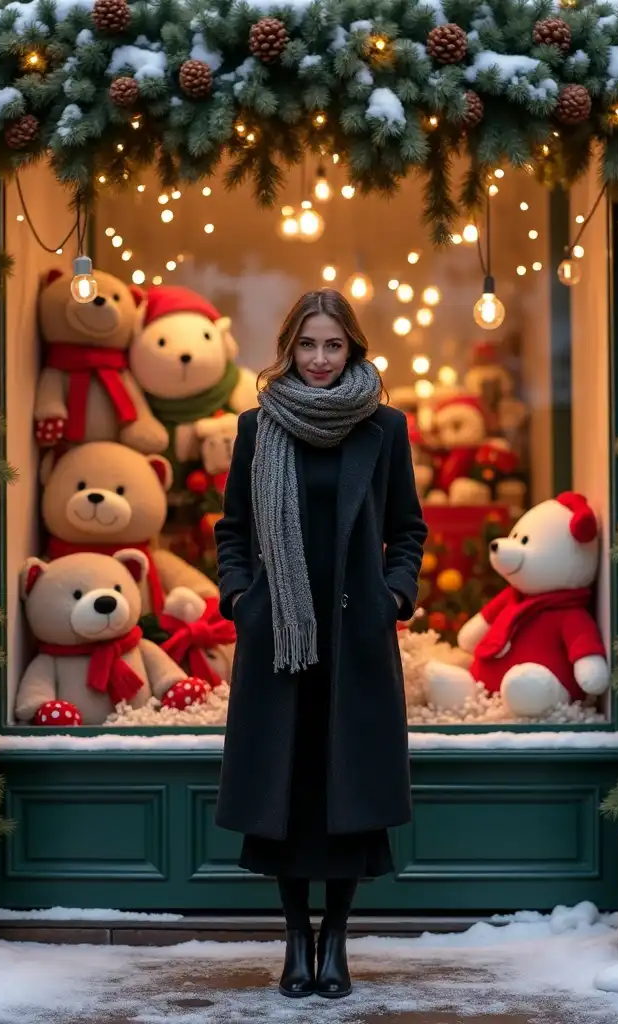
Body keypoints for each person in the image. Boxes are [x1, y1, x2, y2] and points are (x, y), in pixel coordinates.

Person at [214, 289, 427, 999]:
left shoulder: (384, 427)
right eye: (308, 345)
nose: (319, 359)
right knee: (290, 790)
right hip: (278, 636)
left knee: (346, 792)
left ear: (353, 349)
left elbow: (409, 528)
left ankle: (334, 938)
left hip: (354, 635)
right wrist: (243, 600)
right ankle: (293, 940)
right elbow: (234, 530)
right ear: (288, 348)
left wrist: (392, 595)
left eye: (333, 345)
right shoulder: (257, 427)